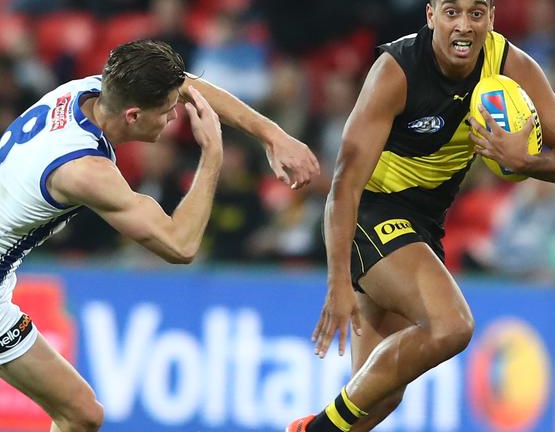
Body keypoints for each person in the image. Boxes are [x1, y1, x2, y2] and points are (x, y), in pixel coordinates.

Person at [287, 0, 555, 432]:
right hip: (371, 210)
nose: (464, 25)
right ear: (431, 15)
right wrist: (337, 283)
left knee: (378, 400)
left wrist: (528, 161)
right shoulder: (396, 71)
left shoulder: (511, 67)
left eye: (477, 13)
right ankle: (313, 429)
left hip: (424, 225)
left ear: (492, 18)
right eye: (452, 12)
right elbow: (344, 185)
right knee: (452, 325)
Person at [0, 39, 319, 431]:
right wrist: (212, 156)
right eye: (168, 112)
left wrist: (273, 135)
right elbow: (180, 245)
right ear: (133, 116)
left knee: (81, 414)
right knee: (80, 415)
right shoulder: (84, 170)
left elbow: (187, 85)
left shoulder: (87, 90)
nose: (174, 119)